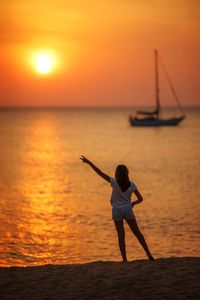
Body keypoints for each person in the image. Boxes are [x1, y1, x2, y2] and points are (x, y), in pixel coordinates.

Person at [80, 155, 155, 262]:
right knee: (137, 233)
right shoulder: (132, 185)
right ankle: (149, 255)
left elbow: (100, 173)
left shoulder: (114, 182)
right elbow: (140, 199)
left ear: (117, 173)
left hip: (117, 211)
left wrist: (88, 162)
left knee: (121, 236)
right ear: (127, 173)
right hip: (128, 210)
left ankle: (124, 259)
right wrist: (133, 203)